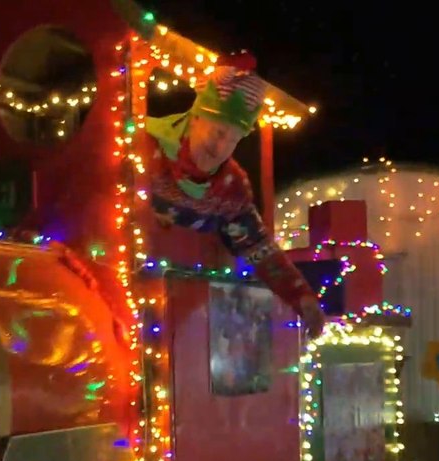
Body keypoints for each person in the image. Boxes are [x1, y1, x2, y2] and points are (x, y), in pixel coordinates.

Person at [139, 51, 327, 340]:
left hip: (186, 324)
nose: (220, 145)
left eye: (232, 138)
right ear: (195, 117)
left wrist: (301, 296)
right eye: (216, 131)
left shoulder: (232, 188)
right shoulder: (141, 146)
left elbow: (258, 247)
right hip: (129, 301)